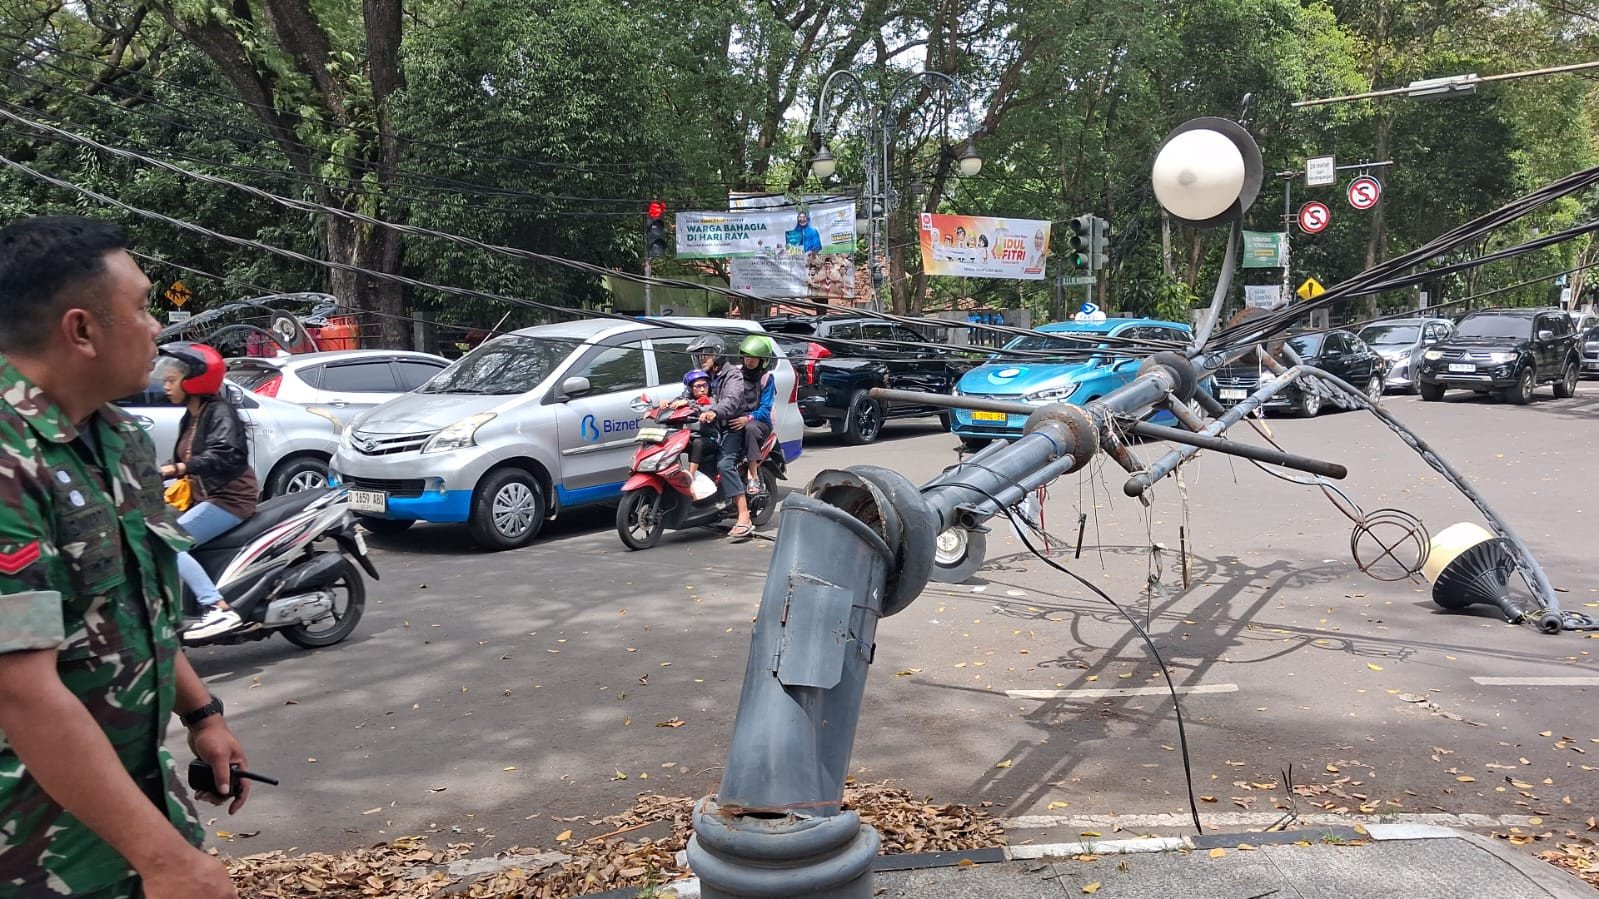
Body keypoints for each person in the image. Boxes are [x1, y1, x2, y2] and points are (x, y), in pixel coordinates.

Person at [0, 215, 249, 899]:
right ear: (81, 330)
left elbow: (134, 604)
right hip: (35, 845)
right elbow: (20, 687)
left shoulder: (119, 437)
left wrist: (203, 714)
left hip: (139, 803)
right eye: (141, 308)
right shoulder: (7, 461)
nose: (157, 328)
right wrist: (166, 859)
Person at [154, 342, 259, 641]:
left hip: (228, 499)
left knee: (167, 543)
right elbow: (183, 457)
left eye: (172, 380)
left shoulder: (220, 412)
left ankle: (217, 607)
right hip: (204, 497)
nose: (166, 385)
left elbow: (225, 454)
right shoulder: (192, 415)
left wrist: (177, 469)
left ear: (194, 380)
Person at [685, 334, 759, 540]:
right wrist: (671, 405)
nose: (702, 359)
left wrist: (714, 412)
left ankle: (744, 517)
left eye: (706, 354)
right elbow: (689, 396)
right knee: (690, 448)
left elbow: (731, 401)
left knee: (725, 464)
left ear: (717, 353)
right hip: (711, 429)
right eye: (699, 355)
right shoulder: (707, 376)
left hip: (732, 428)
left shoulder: (733, 375)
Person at [736, 335, 778, 497]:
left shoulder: (766, 378)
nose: (749, 361)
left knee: (750, 428)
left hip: (759, 421)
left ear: (762, 360)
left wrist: (748, 418)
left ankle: (752, 475)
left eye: (754, 358)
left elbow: (766, 408)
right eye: (747, 356)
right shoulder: (736, 374)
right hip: (737, 418)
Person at [659, 368, 717, 481]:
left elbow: (708, 407)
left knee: (698, 443)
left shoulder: (712, 399)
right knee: (671, 443)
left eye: (705, 385)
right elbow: (673, 405)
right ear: (690, 388)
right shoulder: (684, 398)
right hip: (690, 437)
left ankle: (691, 476)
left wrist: (689, 403)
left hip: (711, 439)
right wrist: (665, 403)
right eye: (698, 386)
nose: (702, 389)